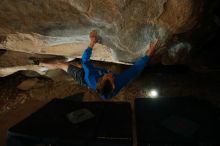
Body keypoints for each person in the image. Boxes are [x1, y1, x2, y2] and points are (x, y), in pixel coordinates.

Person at [34, 31, 160, 100]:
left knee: (61, 64)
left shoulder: (91, 77)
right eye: (112, 78)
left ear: (101, 79)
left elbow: (85, 61)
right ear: (114, 85)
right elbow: (136, 69)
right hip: (94, 75)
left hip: (83, 77)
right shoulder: (119, 82)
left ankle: (40, 64)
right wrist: (149, 54)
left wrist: (91, 43)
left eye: (108, 77)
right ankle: (63, 64)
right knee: (76, 63)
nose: (111, 75)